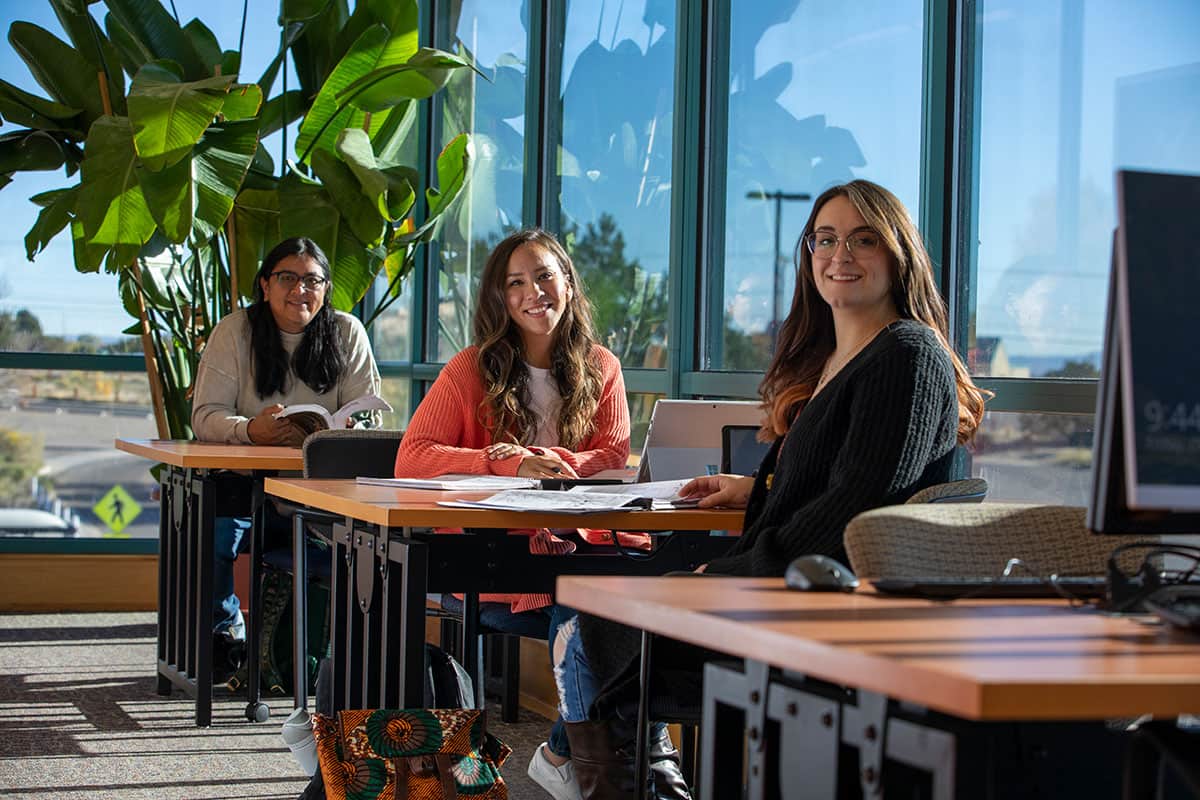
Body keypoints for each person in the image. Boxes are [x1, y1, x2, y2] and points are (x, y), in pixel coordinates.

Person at [552, 180, 989, 798]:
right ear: (809, 256)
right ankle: (635, 770)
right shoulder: (844, 356)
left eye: (864, 239)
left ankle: (618, 771)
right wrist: (757, 485)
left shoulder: (908, 354)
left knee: (588, 623)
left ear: (897, 256)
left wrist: (733, 574)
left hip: (820, 603)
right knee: (596, 617)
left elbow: (857, 508)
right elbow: (845, 470)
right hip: (798, 584)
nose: (841, 254)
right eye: (826, 239)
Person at [392, 228, 630, 800]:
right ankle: (581, 768)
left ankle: (563, 756)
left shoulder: (601, 366)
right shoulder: (471, 368)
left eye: (545, 275)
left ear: (568, 284)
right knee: (591, 613)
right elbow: (414, 456)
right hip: (495, 568)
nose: (533, 292)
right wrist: (507, 464)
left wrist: (554, 460)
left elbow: (613, 454)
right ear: (500, 298)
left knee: (609, 608)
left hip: (574, 556)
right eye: (515, 282)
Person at [191, 237, 383, 680]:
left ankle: (340, 659)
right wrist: (248, 430)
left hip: (321, 490)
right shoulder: (235, 331)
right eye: (288, 278)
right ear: (264, 284)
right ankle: (225, 631)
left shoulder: (347, 331)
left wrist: (350, 432)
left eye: (313, 280)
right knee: (214, 534)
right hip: (245, 482)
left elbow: (369, 410)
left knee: (371, 545)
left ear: (326, 288)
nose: (301, 289)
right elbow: (205, 416)